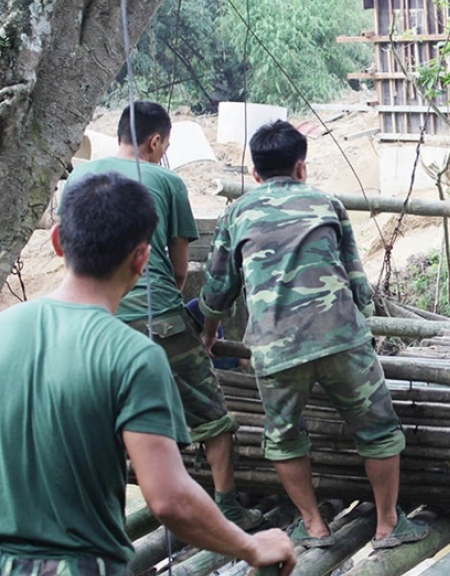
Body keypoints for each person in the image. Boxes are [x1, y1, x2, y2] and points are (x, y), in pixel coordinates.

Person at [0, 172, 296, 575]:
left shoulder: (5, 328)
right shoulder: (133, 355)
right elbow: (169, 499)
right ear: (141, 258)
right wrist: (250, 545)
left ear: (56, 242)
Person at [199, 120, 429, 550]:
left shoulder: (237, 212)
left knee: (284, 437)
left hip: (274, 348)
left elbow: (217, 289)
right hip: (341, 337)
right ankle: (387, 525)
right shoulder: (328, 203)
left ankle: (313, 525)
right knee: (379, 430)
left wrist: (209, 335)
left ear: (255, 174)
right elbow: (358, 281)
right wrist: (364, 335)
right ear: (301, 168)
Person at [64, 101, 261, 529]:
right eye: (164, 146)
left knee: (102, 422)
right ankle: (227, 507)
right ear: (155, 141)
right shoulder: (167, 182)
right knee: (213, 416)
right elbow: (177, 268)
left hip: (87, 323)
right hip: (157, 320)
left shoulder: (78, 176)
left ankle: (105, 518)